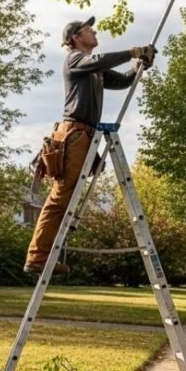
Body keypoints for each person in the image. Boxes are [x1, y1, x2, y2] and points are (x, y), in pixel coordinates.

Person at [23, 16, 156, 275]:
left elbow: (122, 81)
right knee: (60, 197)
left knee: (65, 197)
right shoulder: (74, 59)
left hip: (83, 136)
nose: (94, 32)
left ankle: (41, 256)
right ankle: (37, 257)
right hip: (74, 135)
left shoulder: (93, 69)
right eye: (88, 29)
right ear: (75, 38)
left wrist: (140, 66)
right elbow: (100, 60)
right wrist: (134, 52)